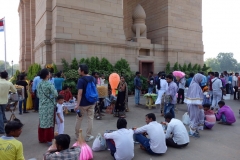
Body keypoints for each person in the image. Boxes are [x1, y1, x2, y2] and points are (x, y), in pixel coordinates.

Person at [75, 64, 96, 142]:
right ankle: (88, 136)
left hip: (83, 103)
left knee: (79, 118)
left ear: (82, 71)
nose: (78, 70)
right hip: (92, 102)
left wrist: (77, 104)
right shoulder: (93, 78)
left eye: (79, 69)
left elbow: (80, 93)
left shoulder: (81, 80)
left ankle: (77, 136)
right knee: (90, 119)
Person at [37, 69, 58, 145]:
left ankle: (42, 138)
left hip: (41, 105)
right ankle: (49, 139)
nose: (50, 75)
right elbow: (55, 94)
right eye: (49, 74)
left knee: (42, 121)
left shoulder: (39, 84)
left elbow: (38, 95)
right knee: (49, 122)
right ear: (47, 75)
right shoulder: (49, 84)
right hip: (49, 105)